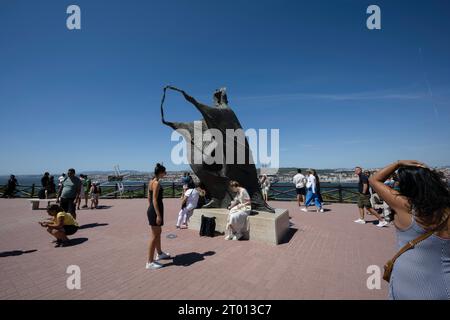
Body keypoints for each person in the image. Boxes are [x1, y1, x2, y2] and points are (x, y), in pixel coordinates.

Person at [369, 160, 450, 300]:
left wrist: (398, 163)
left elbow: (374, 179)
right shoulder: (447, 209)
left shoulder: (407, 207)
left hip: (409, 283)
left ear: (408, 185)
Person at [146, 163, 171, 270]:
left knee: (158, 233)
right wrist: (158, 215)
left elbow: (148, 197)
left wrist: (151, 209)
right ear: (160, 173)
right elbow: (155, 200)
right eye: (164, 172)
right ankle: (149, 262)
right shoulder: (156, 183)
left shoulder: (151, 181)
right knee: (154, 236)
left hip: (152, 209)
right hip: (156, 211)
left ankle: (159, 253)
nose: (165, 174)